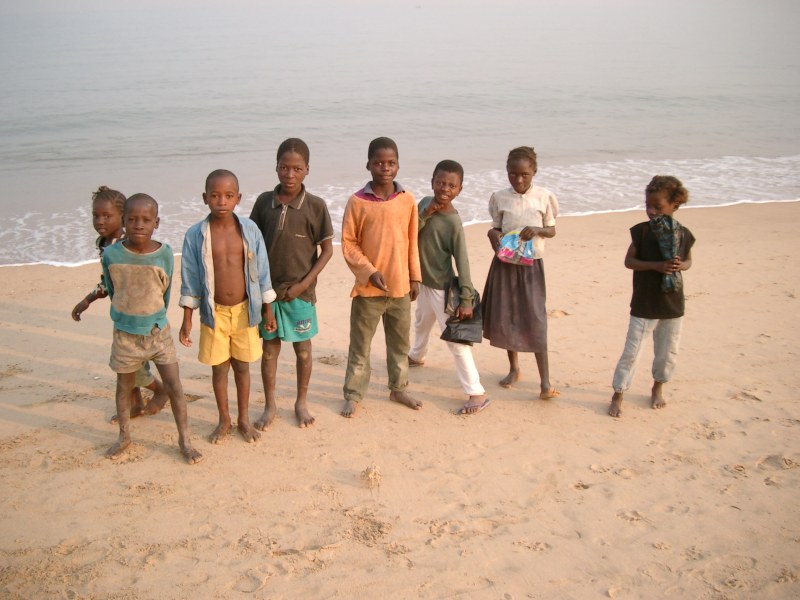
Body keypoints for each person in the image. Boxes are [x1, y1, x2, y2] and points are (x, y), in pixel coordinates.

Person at [101, 193, 202, 464]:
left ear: (156, 223)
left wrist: (153, 318)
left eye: (146, 220)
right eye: (132, 219)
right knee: (124, 387)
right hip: (125, 335)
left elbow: (165, 292)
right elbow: (113, 290)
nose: (138, 225)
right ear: (123, 221)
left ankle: (185, 441)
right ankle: (124, 437)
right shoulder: (111, 254)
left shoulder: (164, 253)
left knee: (175, 386)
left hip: (158, 333)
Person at [179, 169, 277, 443]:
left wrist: (268, 309)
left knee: (243, 367)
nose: (222, 201)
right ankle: (224, 420)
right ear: (205, 198)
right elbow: (190, 277)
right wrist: (188, 318)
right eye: (215, 195)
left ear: (238, 199)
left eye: (228, 196)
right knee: (219, 368)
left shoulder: (249, 230)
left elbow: (263, 272)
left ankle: (244, 419)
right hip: (214, 314)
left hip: (246, 311)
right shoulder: (195, 235)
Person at [249, 139, 334, 429]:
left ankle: (301, 403)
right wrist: (261, 290)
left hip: (301, 294)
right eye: (284, 167)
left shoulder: (316, 206)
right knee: (270, 350)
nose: (289, 174)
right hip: (268, 294)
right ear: (276, 167)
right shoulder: (263, 203)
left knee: (303, 350)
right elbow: (252, 246)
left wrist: (304, 285)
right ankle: (270, 405)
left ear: (307, 170)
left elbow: (327, 251)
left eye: (297, 168)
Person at [340, 137, 422, 418]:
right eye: (379, 163)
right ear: (368, 165)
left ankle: (398, 388)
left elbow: (413, 241)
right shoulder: (357, 202)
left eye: (391, 163)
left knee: (399, 344)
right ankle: (353, 393)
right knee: (360, 345)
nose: (385, 168)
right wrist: (370, 272)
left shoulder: (407, 200)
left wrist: (415, 278)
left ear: (398, 165)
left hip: (399, 289)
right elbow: (349, 243)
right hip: (368, 290)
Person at [71, 185, 168, 421]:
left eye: (107, 215)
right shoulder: (105, 243)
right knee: (127, 366)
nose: (100, 220)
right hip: (124, 313)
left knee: (134, 367)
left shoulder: (123, 245)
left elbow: (107, 285)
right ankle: (135, 405)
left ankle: (161, 390)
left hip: (140, 315)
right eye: (96, 215)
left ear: (122, 218)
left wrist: (88, 299)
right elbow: (109, 280)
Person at [608, 175, 695, 417]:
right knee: (632, 352)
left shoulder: (684, 235)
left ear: (674, 205)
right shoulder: (641, 232)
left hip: (672, 304)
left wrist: (680, 266)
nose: (651, 211)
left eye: (658, 206)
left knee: (667, 353)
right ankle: (619, 393)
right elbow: (629, 261)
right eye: (648, 205)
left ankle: (658, 387)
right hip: (645, 303)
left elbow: (688, 262)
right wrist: (657, 266)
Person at [407, 160, 490, 414]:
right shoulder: (422, 203)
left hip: (443, 289)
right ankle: (417, 356)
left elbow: (462, 260)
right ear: (432, 182)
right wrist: (426, 213)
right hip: (423, 283)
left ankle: (477, 392)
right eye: (440, 182)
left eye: (451, 185)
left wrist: (466, 298)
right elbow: (410, 232)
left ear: (459, 189)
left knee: (456, 343)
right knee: (422, 322)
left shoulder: (453, 222)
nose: (445, 188)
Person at [482, 146, 560, 400]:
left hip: (531, 267)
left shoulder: (544, 197)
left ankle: (546, 383)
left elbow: (551, 230)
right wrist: (493, 236)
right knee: (508, 317)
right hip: (505, 265)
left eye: (524, 174)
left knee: (536, 320)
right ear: (507, 172)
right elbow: (495, 228)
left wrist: (535, 229)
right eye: (513, 174)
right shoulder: (499, 198)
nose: (518, 179)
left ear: (534, 172)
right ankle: (514, 368)